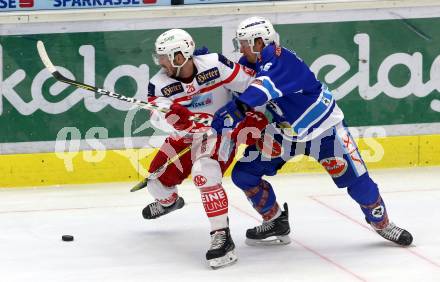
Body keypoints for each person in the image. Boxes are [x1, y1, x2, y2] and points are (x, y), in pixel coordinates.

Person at [211, 16, 413, 247]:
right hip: (285, 134)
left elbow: (259, 90)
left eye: (244, 43)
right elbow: (233, 77)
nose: (241, 48)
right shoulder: (253, 63)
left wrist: (236, 109)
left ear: (259, 42)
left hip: (326, 132)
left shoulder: (282, 62)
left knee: (359, 183)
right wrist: (205, 66)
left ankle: (383, 223)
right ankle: (275, 220)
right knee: (244, 174)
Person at [143, 28, 267, 268]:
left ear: (180, 57)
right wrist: (171, 121)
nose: (160, 62)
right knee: (155, 183)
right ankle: (169, 202)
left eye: (164, 57)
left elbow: (255, 84)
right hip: (185, 138)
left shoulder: (215, 64)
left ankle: (221, 236)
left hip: (219, 133)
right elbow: (155, 118)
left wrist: (252, 113)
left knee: (205, 173)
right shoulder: (158, 84)